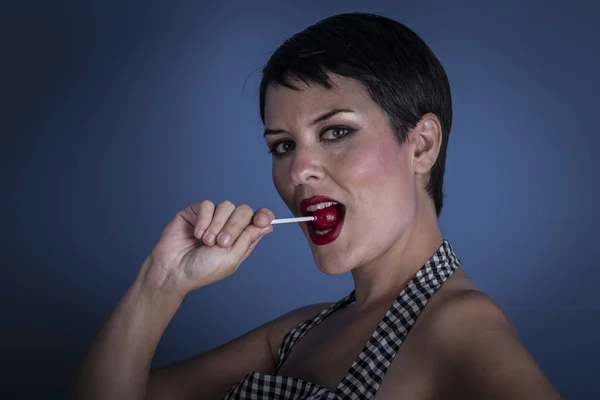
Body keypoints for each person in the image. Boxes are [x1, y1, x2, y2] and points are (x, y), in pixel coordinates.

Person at [70, 12, 562, 400]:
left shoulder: (459, 325)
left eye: (336, 132)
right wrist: (161, 283)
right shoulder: (296, 332)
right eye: (282, 145)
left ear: (422, 146)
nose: (298, 169)